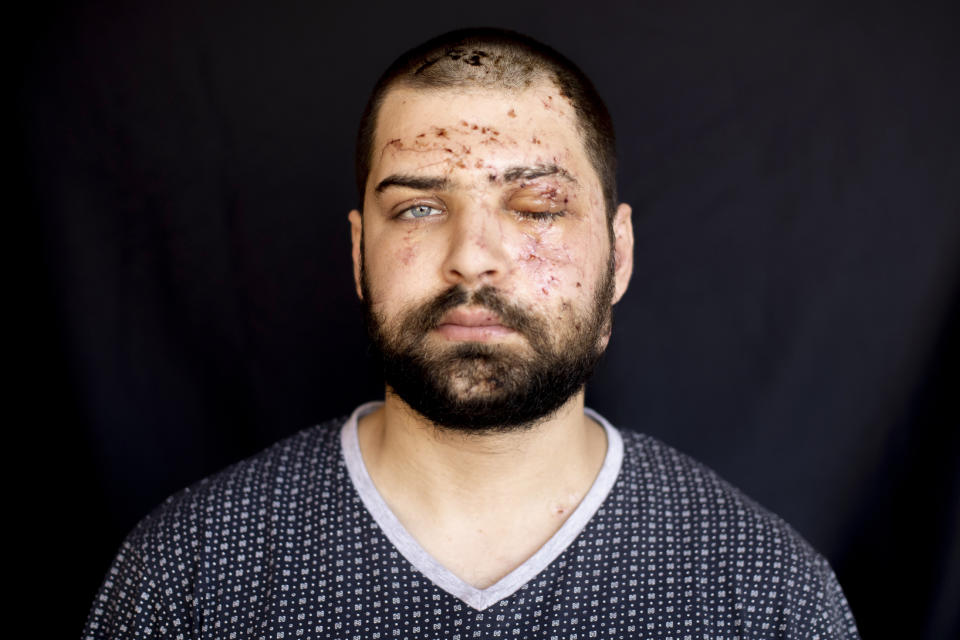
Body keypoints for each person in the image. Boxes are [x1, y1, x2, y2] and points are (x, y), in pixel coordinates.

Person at [83, 28, 860, 639]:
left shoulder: (762, 590)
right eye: (420, 207)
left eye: (535, 207)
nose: (473, 260)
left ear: (618, 256)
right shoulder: (191, 574)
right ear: (359, 253)